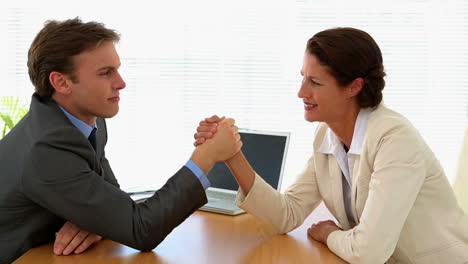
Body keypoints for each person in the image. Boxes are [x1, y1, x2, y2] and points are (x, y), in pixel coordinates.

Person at [195, 27, 468, 263]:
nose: (301, 92)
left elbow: (368, 253)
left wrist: (329, 233)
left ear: (354, 87)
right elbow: (286, 214)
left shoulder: (395, 139)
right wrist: (232, 155)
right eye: (302, 77)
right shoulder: (327, 135)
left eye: (314, 82)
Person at [0, 18, 242, 264]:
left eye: (117, 69)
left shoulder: (85, 119)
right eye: (106, 73)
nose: (121, 83)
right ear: (61, 82)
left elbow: (115, 201)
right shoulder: (47, 149)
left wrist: (98, 223)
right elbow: (140, 229)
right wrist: (206, 156)